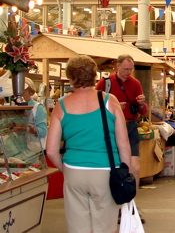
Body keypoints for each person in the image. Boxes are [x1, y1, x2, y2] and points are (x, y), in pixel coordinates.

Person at [46, 55, 131, 232]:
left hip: (74, 170)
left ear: (70, 77)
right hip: (105, 171)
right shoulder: (110, 101)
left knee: (77, 225)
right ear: (94, 76)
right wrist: (125, 172)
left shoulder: (61, 105)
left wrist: (65, 169)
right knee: (104, 224)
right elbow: (123, 142)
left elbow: (51, 150)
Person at [95, 54, 147, 192]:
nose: (128, 72)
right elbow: (95, 107)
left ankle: (131, 206)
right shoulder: (105, 83)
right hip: (111, 127)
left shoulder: (135, 83)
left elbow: (143, 111)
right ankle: (114, 200)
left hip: (130, 126)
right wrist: (115, 107)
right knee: (113, 166)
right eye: (125, 69)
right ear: (117, 66)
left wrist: (141, 104)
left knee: (134, 168)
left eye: (130, 69)